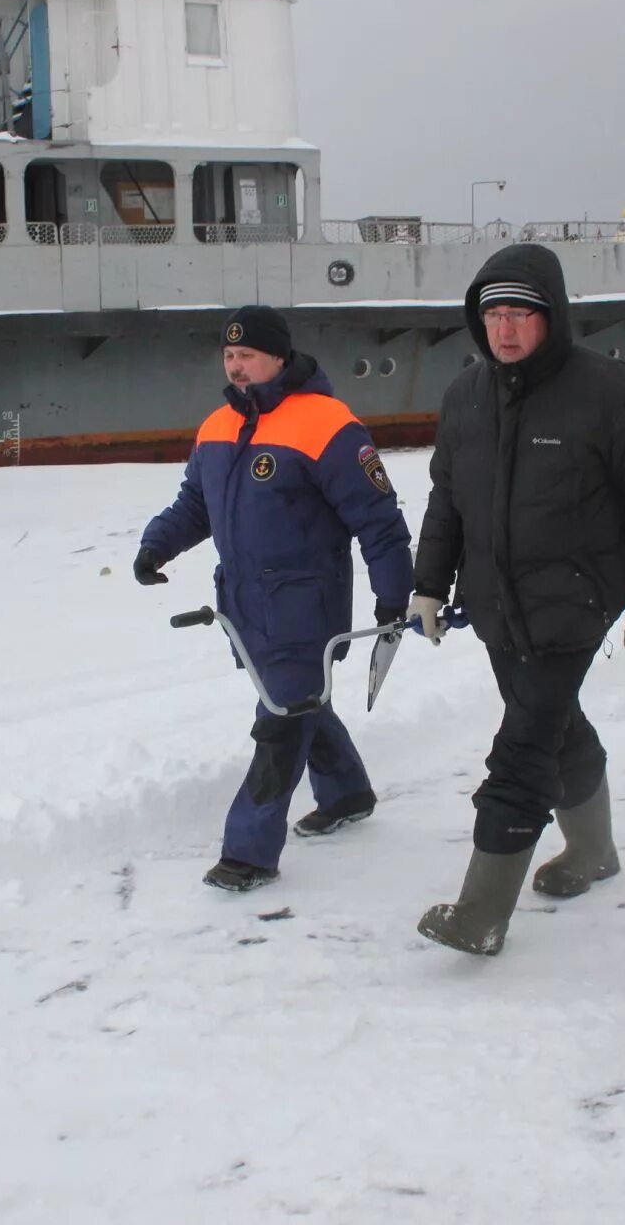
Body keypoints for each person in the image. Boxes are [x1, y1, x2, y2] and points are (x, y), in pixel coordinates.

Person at [409, 243, 625, 956]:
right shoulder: (466, 395)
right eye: (493, 314)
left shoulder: (608, 392)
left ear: (552, 317)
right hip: (498, 603)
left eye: (520, 314)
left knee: (523, 748)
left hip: (573, 603)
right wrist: (428, 585)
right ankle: (594, 852)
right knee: (557, 727)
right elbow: (448, 501)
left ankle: (481, 912)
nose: (504, 329)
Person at [136, 305, 414, 891]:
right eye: (230, 357)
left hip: (305, 609)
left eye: (249, 357)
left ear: (279, 359)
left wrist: (394, 596)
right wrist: (156, 547)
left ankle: (249, 851)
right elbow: (196, 504)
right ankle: (346, 794)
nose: (237, 368)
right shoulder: (217, 427)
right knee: (300, 703)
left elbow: (378, 518)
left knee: (281, 721)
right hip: (244, 607)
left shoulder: (327, 424)